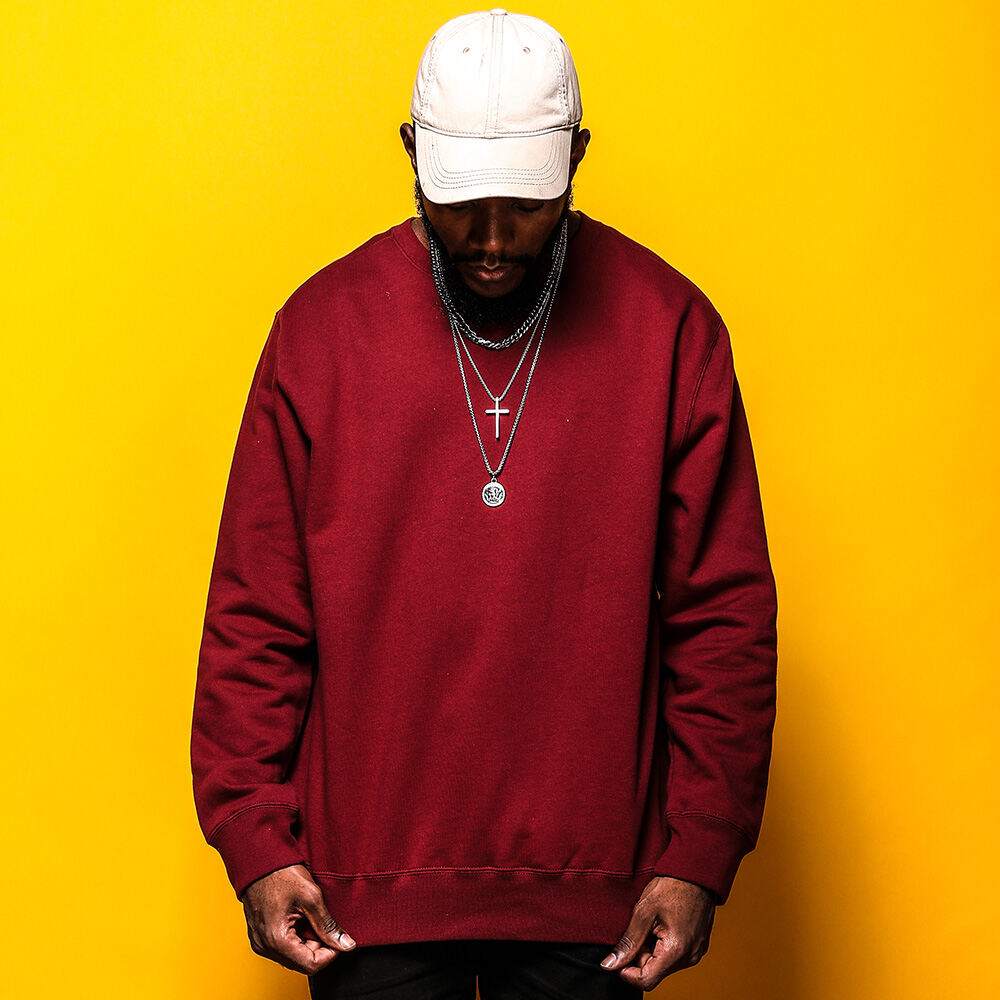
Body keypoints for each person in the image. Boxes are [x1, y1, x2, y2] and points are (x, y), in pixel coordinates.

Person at [190, 9, 778, 997]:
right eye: (461, 202)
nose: (494, 238)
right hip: (361, 895)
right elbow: (256, 610)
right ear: (411, 152)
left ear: (577, 157)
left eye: (527, 203)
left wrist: (699, 851)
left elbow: (723, 619)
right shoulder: (321, 331)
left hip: (601, 896)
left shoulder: (671, 330)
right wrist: (254, 838)